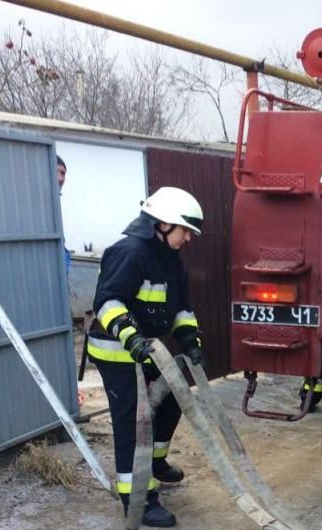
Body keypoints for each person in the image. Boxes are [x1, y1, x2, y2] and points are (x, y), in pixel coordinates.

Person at [87, 187, 205, 528]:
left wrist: (190, 339)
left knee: (174, 398)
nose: (188, 238)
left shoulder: (170, 259)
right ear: (163, 224)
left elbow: (181, 308)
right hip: (118, 353)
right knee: (133, 424)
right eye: (185, 230)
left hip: (149, 350)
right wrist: (130, 336)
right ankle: (138, 498)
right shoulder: (129, 253)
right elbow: (108, 302)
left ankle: (155, 462)